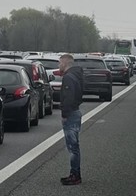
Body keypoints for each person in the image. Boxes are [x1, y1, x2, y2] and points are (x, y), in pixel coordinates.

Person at [59, 53, 84, 185]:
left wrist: (64, 114)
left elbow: (68, 97)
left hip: (71, 114)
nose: (59, 65)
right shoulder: (77, 76)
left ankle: (75, 175)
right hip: (76, 111)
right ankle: (75, 173)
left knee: (72, 146)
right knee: (74, 146)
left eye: (60, 63)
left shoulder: (68, 77)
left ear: (66, 62)